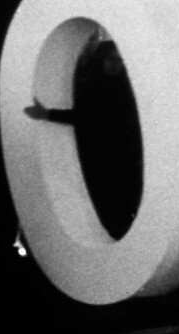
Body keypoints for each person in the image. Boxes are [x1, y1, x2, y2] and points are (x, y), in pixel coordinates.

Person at [24, 40, 142, 240]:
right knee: (105, 204)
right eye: (111, 60)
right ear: (101, 60)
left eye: (120, 61)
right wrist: (47, 114)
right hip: (99, 158)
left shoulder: (128, 88)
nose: (116, 65)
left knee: (124, 205)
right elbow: (84, 116)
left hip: (124, 159)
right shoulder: (92, 85)